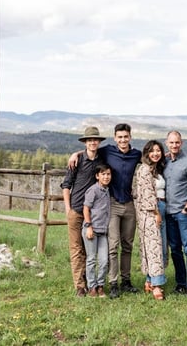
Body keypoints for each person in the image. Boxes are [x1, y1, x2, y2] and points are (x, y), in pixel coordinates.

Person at [69, 123, 142, 298]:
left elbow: (153, 157)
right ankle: (113, 282)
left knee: (128, 245)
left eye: (126, 137)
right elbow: (90, 150)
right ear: (115, 138)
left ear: (130, 137)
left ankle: (126, 281)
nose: (123, 140)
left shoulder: (136, 154)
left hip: (129, 203)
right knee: (113, 245)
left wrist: (168, 155)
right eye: (120, 137)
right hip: (113, 204)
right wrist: (76, 153)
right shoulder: (108, 151)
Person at [60, 126, 105, 297]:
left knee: (90, 250)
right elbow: (66, 185)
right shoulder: (77, 160)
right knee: (76, 249)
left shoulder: (102, 159)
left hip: (94, 214)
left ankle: (91, 281)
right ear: (85, 142)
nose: (93, 142)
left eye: (95, 139)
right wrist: (68, 209)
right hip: (76, 210)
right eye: (89, 140)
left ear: (99, 142)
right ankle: (80, 286)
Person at [163, 130, 187, 295]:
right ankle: (180, 282)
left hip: (184, 213)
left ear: (182, 143)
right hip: (169, 213)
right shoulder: (164, 162)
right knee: (175, 249)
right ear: (167, 143)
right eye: (171, 142)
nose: (174, 145)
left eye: (177, 142)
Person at [132, 140, 168, 300]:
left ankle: (149, 280)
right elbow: (147, 194)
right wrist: (156, 212)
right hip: (151, 211)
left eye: (158, 150)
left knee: (156, 246)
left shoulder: (155, 168)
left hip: (161, 206)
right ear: (146, 153)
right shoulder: (145, 169)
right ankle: (157, 285)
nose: (155, 153)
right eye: (152, 151)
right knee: (154, 248)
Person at [83, 164, 113, 298]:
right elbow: (86, 208)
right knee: (91, 259)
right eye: (103, 174)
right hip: (92, 229)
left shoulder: (107, 191)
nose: (106, 177)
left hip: (103, 231)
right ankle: (92, 287)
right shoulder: (93, 190)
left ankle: (101, 285)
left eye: (108, 174)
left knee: (104, 260)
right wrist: (89, 226)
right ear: (97, 176)